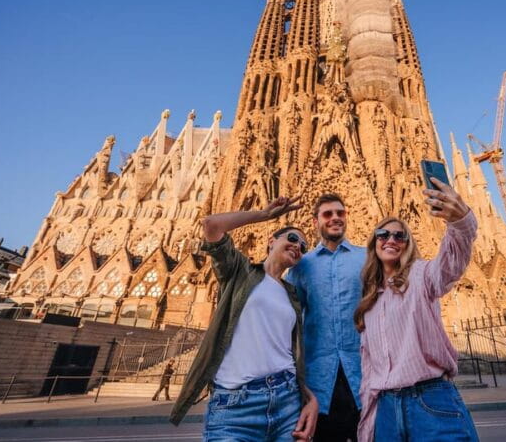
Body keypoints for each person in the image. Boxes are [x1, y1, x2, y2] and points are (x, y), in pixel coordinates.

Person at [169, 196, 318, 441]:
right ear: (272, 241)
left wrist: (309, 399)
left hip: (287, 399)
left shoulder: (292, 296)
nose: (297, 246)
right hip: (235, 405)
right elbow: (211, 225)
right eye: (292, 238)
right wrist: (263, 215)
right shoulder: (240, 272)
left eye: (303, 246)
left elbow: (288, 353)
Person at [354, 178, 479, 441]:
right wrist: (367, 427)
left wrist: (459, 221)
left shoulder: (423, 276)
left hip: (430, 402)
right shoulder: (369, 303)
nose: (391, 240)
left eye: (400, 235)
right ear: (373, 243)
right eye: (383, 234)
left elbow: (452, 262)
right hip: (385, 409)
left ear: (407, 244)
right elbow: (369, 371)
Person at [286, 194, 363, 441]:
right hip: (319, 383)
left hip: (364, 376)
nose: (335, 218)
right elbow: (287, 318)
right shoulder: (301, 265)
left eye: (340, 213)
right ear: (316, 221)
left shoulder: (367, 258)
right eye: (328, 214)